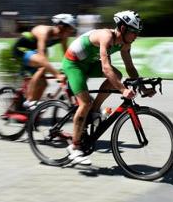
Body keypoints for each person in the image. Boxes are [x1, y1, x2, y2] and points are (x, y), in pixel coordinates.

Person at [61, 10, 154, 166]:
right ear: (123, 29)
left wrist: (143, 88)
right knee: (85, 103)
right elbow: (105, 68)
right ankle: (74, 147)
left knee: (117, 74)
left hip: (89, 64)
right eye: (134, 32)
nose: (136, 36)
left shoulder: (125, 43)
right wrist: (123, 90)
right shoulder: (107, 36)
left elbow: (130, 67)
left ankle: (95, 110)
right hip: (74, 64)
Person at [12, 14, 76, 109]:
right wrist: (57, 75)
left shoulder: (63, 36)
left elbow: (67, 55)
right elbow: (42, 58)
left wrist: (73, 68)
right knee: (42, 66)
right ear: (61, 26)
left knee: (43, 84)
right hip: (21, 48)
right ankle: (29, 101)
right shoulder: (44, 31)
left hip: (34, 52)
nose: (71, 32)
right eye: (69, 29)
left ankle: (32, 111)